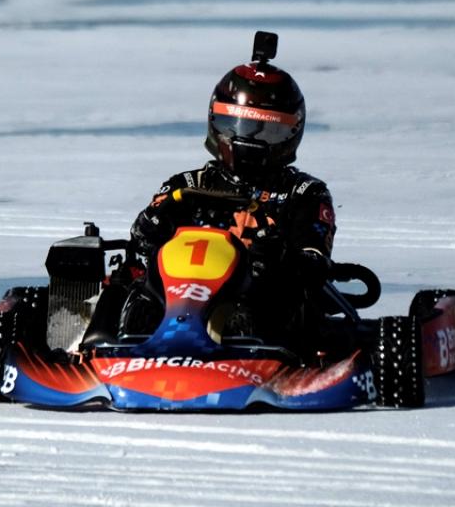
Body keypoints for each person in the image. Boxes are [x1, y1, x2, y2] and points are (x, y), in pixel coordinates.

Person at [83, 32, 338, 355]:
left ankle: (249, 351)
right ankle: (100, 351)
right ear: (218, 122)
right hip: (175, 297)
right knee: (128, 279)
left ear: (290, 133)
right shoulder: (186, 185)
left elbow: (314, 264)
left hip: (262, 304)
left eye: (268, 130)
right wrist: (155, 221)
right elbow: (142, 242)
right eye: (240, 127)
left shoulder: (304, 194)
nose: (249, 140)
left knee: (275, 291)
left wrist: (270, 252)